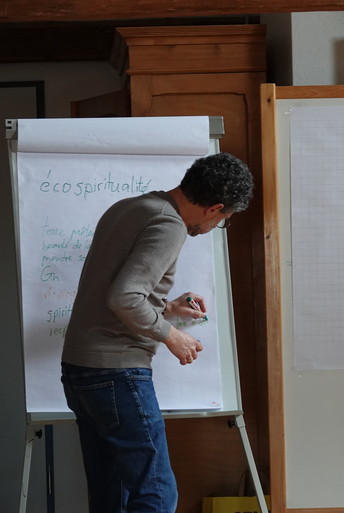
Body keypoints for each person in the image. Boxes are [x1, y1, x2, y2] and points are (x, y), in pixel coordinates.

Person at [60, 152, 254, 513]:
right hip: (117, 372)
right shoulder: (170, 226)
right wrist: (171, 335)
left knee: (111, 495)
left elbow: (115, 292)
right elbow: (124, 297)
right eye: (224, 219)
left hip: (80, 369)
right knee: (157, 494)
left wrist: (167, 306)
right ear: (215, 208)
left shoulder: (132, 206)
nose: (216, 226)